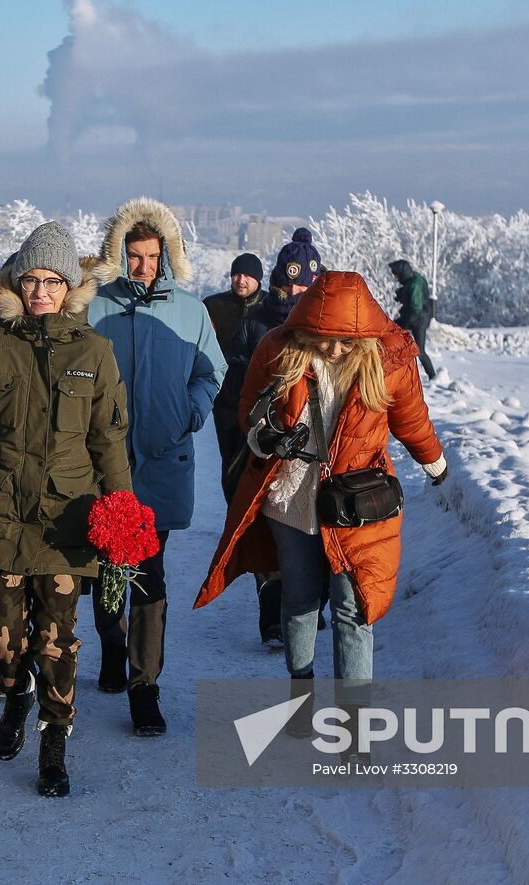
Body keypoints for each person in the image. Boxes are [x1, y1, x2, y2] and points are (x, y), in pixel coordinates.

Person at [194, 271, 447, 746]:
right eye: (324, 340)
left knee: (354, 609)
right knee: (301, 598)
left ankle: (355, 727)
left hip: (357, 503)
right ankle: (301, 695)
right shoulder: (278, 348)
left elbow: (411, 416)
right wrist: (263, 436)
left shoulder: (388, 360)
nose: (333, 351)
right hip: (291, 499)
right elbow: (250, 406)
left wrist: (433, 461)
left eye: (344, 341)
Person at [0, 221, 131, 797]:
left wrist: (122, 516)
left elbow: (109, 440)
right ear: (17, 282)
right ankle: (15, 690)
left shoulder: (95, 351)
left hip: (66, 519)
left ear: (70, 287)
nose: (40, 291)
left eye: (51, 281)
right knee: (1, 633)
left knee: (58, 638)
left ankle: (55, 738)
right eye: (30, 279)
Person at [85, 197, 225, 736]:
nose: (143, 266)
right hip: (106, 464)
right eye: (133, 256)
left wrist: (189, 411)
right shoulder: (94, 306)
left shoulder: (190, 312)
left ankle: (146, 688)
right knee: (105, 570)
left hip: (163, 461)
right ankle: (113, 648)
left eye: (152, 256)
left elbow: (210, 371)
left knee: (148, 573)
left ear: (168, 255)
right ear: (118, 256)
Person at [222, 231, 324, 645]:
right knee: (267, 531)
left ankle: (309, 611)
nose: (297, 292)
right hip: (268, 446)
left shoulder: (326, 323)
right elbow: (238, 388)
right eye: (291, 282)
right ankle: (271, 621)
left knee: (312, 533)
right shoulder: (259, 322)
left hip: (316, 450)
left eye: (306, 285)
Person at [203, 251, 264, 497]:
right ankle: (233, 516)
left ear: (259, 279)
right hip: (227, 399)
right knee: (230, 462)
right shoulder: (214, 306)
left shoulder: (268, 309)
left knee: (257, 460)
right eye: (237, 274)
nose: (241, 280)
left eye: (248, 275)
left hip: (261, 399)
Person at [388, 258, 437, 380]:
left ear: (402, 273)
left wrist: (404, 324)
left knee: (420, 351)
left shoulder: (414, 284)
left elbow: (415, 308)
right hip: (418, 318)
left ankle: (433, 376)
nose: (396, 278)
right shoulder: (415, 278)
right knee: (391, 332)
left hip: (417, 320)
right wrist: (403, 293)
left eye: (396, 274)